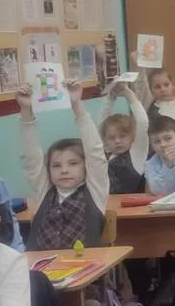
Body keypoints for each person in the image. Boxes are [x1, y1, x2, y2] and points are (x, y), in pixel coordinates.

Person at [18, 80, 109, 250]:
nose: (64, 170)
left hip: (84, 265)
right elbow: (31, 157)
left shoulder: (95, 191)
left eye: (73, 163)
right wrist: (26, 111)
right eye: (56, 166)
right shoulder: (45, 192)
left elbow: (95, 151)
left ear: (86, 166)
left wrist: (77, 105)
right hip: (41, 265)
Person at [99, 82, 149, 194]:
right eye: (112, 138)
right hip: (110, 202)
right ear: (106, 140)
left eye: (122, 136)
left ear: (132, 136)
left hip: (133, 203)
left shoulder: (137, 153)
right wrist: (111, 97)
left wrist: (128, 94)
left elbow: (142, 121)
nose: (117, 141)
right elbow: (102, 125)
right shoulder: (107, 153)